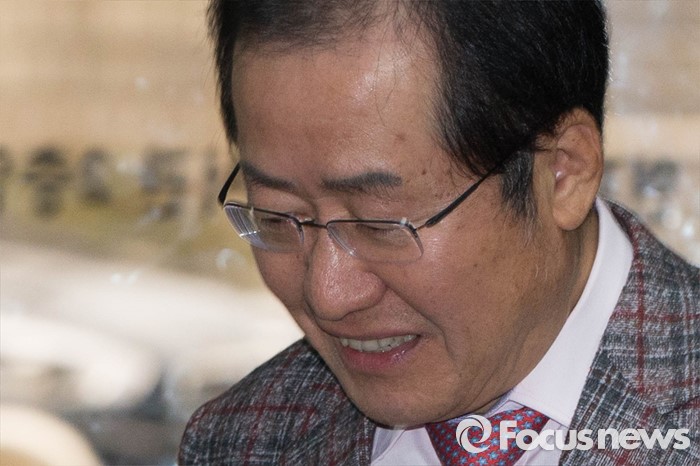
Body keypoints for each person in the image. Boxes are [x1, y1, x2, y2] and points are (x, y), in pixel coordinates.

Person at [179, 1, 699, 464]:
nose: (328, 295)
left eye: (378, 224)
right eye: (277, 216)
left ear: (562, 173)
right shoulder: (239, 440)